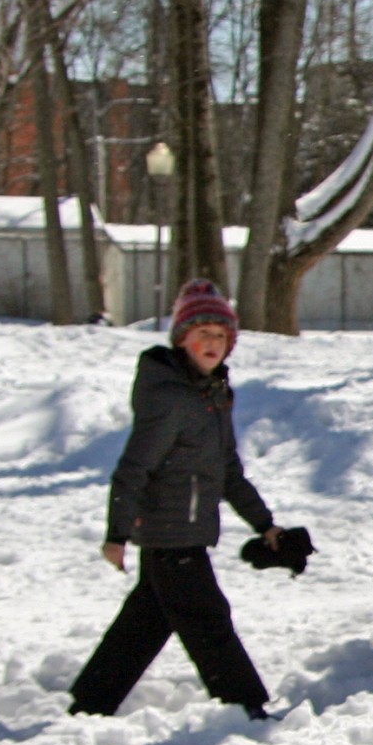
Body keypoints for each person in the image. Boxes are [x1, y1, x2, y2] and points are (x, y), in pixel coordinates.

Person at [68, 279, 287, 720]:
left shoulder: (214, 396)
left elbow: (228, 471)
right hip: (170, 535)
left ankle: (91, 701)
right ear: (182, 339)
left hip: (188, 531)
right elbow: (134, 467)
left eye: (221, 335)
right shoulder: (170, 399)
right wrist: (117, 533)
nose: (212, 342)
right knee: (208, 618)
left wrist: (265, 524)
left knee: (146, 621)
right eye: (202, 332)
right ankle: (246, 707)